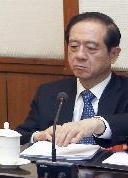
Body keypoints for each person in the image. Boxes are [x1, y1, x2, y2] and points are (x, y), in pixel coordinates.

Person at [16, 12, 128, 146]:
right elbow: (21, 135)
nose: (80, 55)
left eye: (91, 48)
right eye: (74, 47)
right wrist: (39, 136)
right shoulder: (49, 92)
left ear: (113, 54)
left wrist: (97, 124)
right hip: (61, 167)